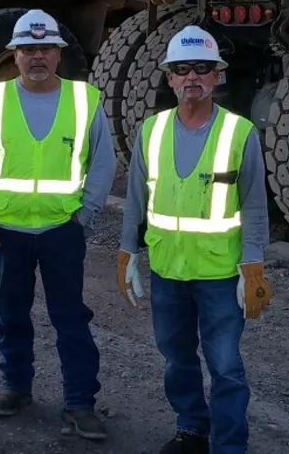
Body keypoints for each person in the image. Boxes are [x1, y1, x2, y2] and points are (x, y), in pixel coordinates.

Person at [116, 24, 274, 454]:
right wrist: (128, 251)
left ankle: (228, 445)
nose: (192, 78)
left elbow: (255, 206)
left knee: (225, 367)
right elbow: (136, 197)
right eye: (182, 69)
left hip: (221, 274)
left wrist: (253, 265)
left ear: (217, 75)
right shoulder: (151, 130)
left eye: (202, 69)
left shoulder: (240, 133)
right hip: (168, 271)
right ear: (169, 77)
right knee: (177, 358)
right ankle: (192, 430)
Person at [0, 9, 117, 441]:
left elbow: (101, 164)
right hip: (5, 232)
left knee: (71, 318)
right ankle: (16, 387)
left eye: (45, 47)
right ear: (14, 54)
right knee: (11, 314)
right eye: (28, 48)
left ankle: (80, 403)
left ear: (59, 53)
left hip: (61, 232)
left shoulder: (85, 100)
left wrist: (83, 219)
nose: (37, 56)